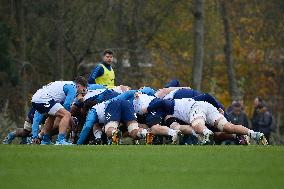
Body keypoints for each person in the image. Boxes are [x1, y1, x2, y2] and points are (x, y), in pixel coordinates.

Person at [133, 93, 268, 145]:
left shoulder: (170, 103)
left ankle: (207, 134)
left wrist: (148, 108)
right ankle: (254, 133)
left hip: (196, 108)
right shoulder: (181, 101)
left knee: (197, 125)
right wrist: (219, 107)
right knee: (228, 127)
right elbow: (206, 95)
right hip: (207, 107)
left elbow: (161, 102)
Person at [31, 76, 87, 145]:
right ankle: (60, 140)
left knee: (52, 116)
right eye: (83, 89)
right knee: (66, 114)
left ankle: (45, 140)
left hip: (35, 98)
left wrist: (34, 136)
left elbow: (36, 117)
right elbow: (67, 105)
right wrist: (70, 119)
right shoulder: (73, 87)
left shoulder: (62, 86)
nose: (82, 92)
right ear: (79, 85)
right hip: (44, 99)